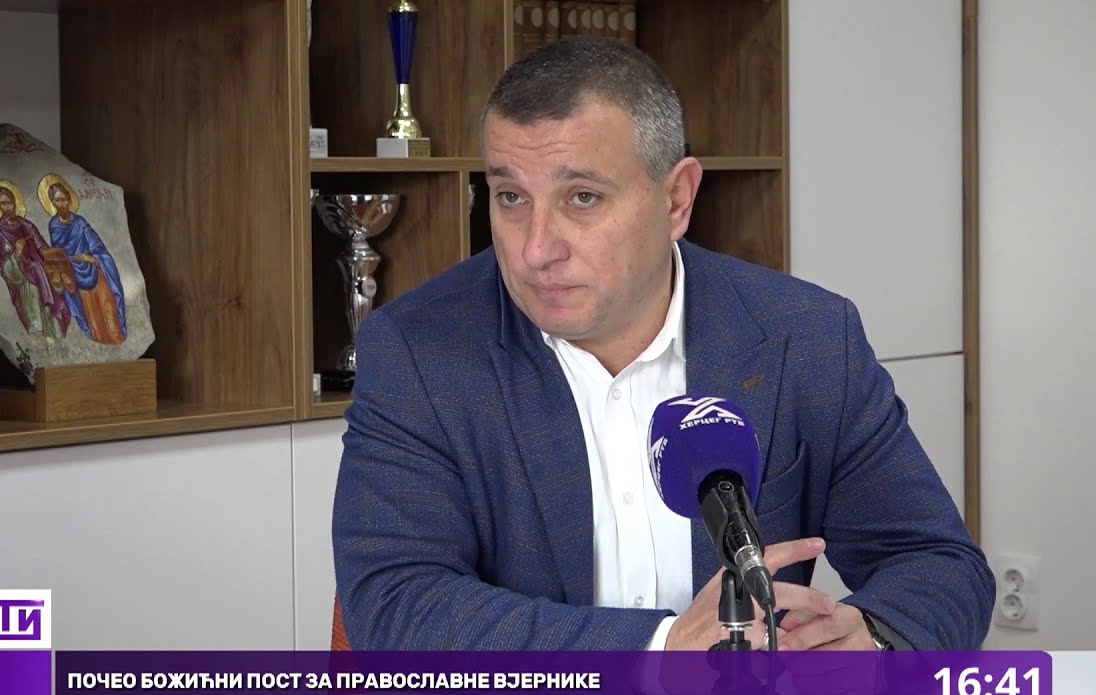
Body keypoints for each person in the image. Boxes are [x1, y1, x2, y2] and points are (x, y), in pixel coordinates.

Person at [331, 36, 994, 653]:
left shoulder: (807, 337)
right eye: (510, 196)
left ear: (677, 199)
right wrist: (659, 651)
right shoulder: (419, 351)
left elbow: (937, 563)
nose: (536, 249)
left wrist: (869, 643)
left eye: (582, 197)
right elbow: (396, 605)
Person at [46, 181, 128, 345]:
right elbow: (60, 254)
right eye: (57, 200)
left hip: (92, 269)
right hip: (74, 273)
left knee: (108, 302)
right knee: (91, 312)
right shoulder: (54, 226)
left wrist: (92, 258)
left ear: (69, 200)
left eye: (64, 199)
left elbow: (94, 242)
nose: (62, 204)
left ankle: (117, 338)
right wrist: (74, 260)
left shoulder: (79, 222)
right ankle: (100, 341)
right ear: (53, 203)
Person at [0, 185, 70, 339]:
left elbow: (42, 247)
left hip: (38, 269)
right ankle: (37, 328)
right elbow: (5, 265)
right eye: (3, 203)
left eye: (10, 202)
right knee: (33, 286)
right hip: (22, 274)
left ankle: (55, 332)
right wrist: (18, 253)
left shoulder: (26, 225)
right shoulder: (0, 229)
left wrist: (58, 263)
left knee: (47, 279)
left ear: (15, 203)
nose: (8, 207)